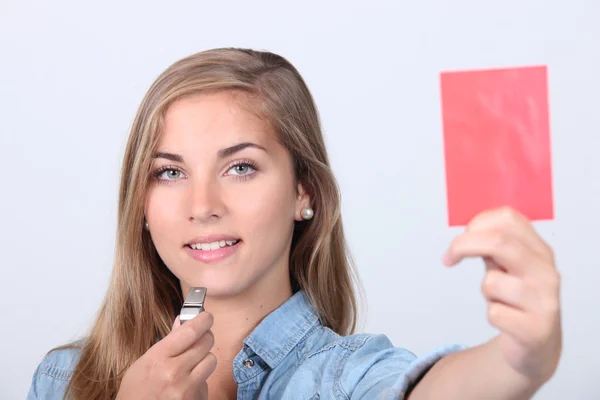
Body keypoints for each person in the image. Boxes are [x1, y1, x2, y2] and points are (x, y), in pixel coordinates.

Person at [26, 48, 562, 400]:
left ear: (303, 192)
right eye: (169, 172)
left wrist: (519, 359)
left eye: (240, 167)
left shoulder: (342, 378)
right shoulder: (62, 381)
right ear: (140, 205)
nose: (202, 204)